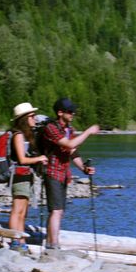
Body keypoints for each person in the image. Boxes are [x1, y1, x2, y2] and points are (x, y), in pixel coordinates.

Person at [40, 97, 100, 250]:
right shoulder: (51, 128)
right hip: (52, 172)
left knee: (59, 210)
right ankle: (53, 245)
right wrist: (88, 131)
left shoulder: (68, 129)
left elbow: (72, 151)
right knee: (56, 210)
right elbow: (69, 144)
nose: (73, 113)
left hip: (63, 173)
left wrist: (83, 169)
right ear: (60, 113)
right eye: (69, 111)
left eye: (73, 111)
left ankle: (50, 241)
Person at [7, 102, 47, 252]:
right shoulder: (18, 135)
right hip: (19, 176)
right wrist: (39, 159)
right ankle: (15, 241)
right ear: (24, 118)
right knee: (17, 210)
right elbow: (22, 159)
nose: (34, 118)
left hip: (25, 176)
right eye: (31, 116)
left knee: (23, 212)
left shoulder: (25, 135)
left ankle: (20, 239)